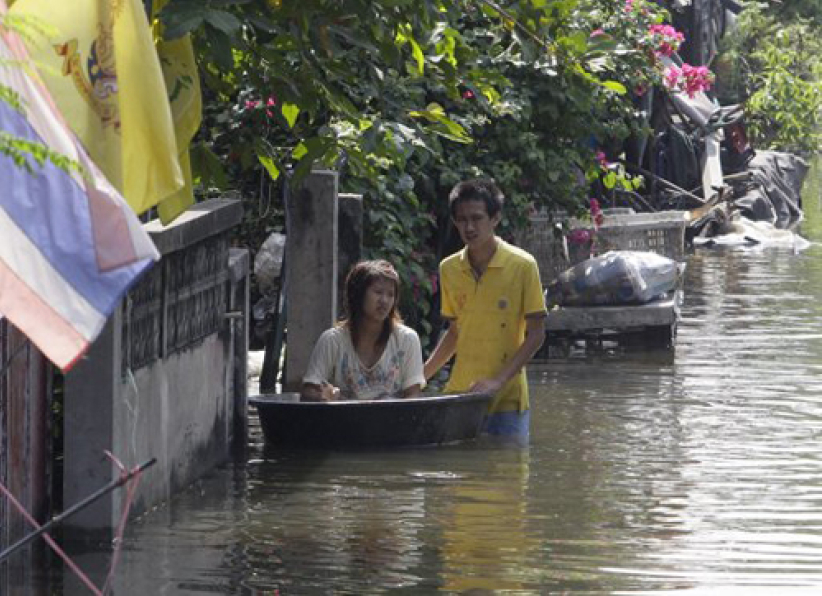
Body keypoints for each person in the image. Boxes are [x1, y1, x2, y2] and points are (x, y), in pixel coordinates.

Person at [423, 178, 547, 439]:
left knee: (508, 477)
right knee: (458, 478)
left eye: (477, 218)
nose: (469, 227)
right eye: (461, 219)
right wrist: (421, 376)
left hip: (507, 401)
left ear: (495, 218)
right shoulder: (449, 269)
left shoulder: (523, 266)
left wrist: (497, 382)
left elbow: (536, 334)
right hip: (459, 396)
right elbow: (456, 332)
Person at [301, 259, 425, 401]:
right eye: (378, 292)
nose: (384, 301)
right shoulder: (332, 340)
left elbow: (413, 395)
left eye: (390, 294)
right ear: (358, 295)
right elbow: (309, 391)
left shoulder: (407, 339)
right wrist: (328, 396)